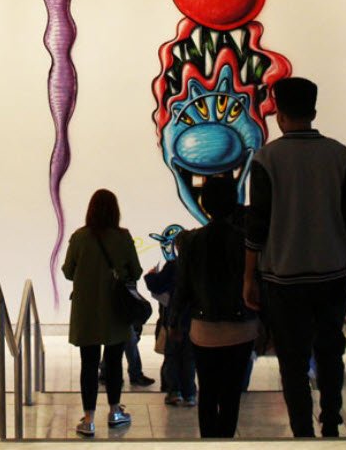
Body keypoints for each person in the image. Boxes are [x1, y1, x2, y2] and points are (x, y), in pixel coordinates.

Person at [243, 77, 346, 439]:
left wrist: (248, 277)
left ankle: (303, 432)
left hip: (283, 278)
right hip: (333, 275)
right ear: (314, 112)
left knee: (292, 361)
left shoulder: (266, 159)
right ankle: (331, 422)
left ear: (279, 114)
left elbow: (257, 227)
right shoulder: (341, 156)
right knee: (330, 350)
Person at [172, 175, 258, 437]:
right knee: (231, 396)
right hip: (242, 328)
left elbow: (182, 287)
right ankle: (226, 441)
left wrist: (174, 322)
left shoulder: (191, 241)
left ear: (204, 204)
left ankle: (209, 442)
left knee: (207, 393)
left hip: (204, 329)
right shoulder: (246, 241)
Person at [62, 188, 141, 436]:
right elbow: (136, 271)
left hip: (86, 310)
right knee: (114, 362)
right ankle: (115, 412)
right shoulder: (123, 237)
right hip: (116, 311)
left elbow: (67, 271)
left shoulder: (79, 237)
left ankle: (88, 419)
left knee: (88, 364)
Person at [145, 233, 195, 407]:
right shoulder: (199, 266)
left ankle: (174, 392)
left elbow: (156, 284)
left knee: (172, 356)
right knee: (189, 358)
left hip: (175, 317)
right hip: (194, 319)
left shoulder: (173, 266)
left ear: (178, 247)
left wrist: (150, 275)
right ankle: (190, 394)